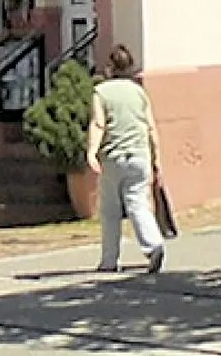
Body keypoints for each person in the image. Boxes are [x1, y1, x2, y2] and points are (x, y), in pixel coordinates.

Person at [85, 45, 165, 274]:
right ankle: (153, 244)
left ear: (110, 67)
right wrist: (157, 158)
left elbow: (98, 123)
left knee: (110, 210)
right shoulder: (138, 91)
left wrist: (92, 151)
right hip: (140, 155)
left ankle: (109, 260)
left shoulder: (101, 92)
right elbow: (150, 126)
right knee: (138, 203)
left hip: (114, 156)